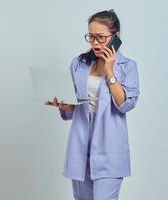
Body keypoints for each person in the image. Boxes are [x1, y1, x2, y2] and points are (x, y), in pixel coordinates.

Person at [45, 9, 140, 200]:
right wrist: (64, 106)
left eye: (101, 37)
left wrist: (110, 70)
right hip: (80, 148)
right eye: (91, 37)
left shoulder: (128, 66)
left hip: (109, 150)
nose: (95, 43)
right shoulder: (79, 63)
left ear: (116, 36)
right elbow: (76, 107)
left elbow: (125, 105)